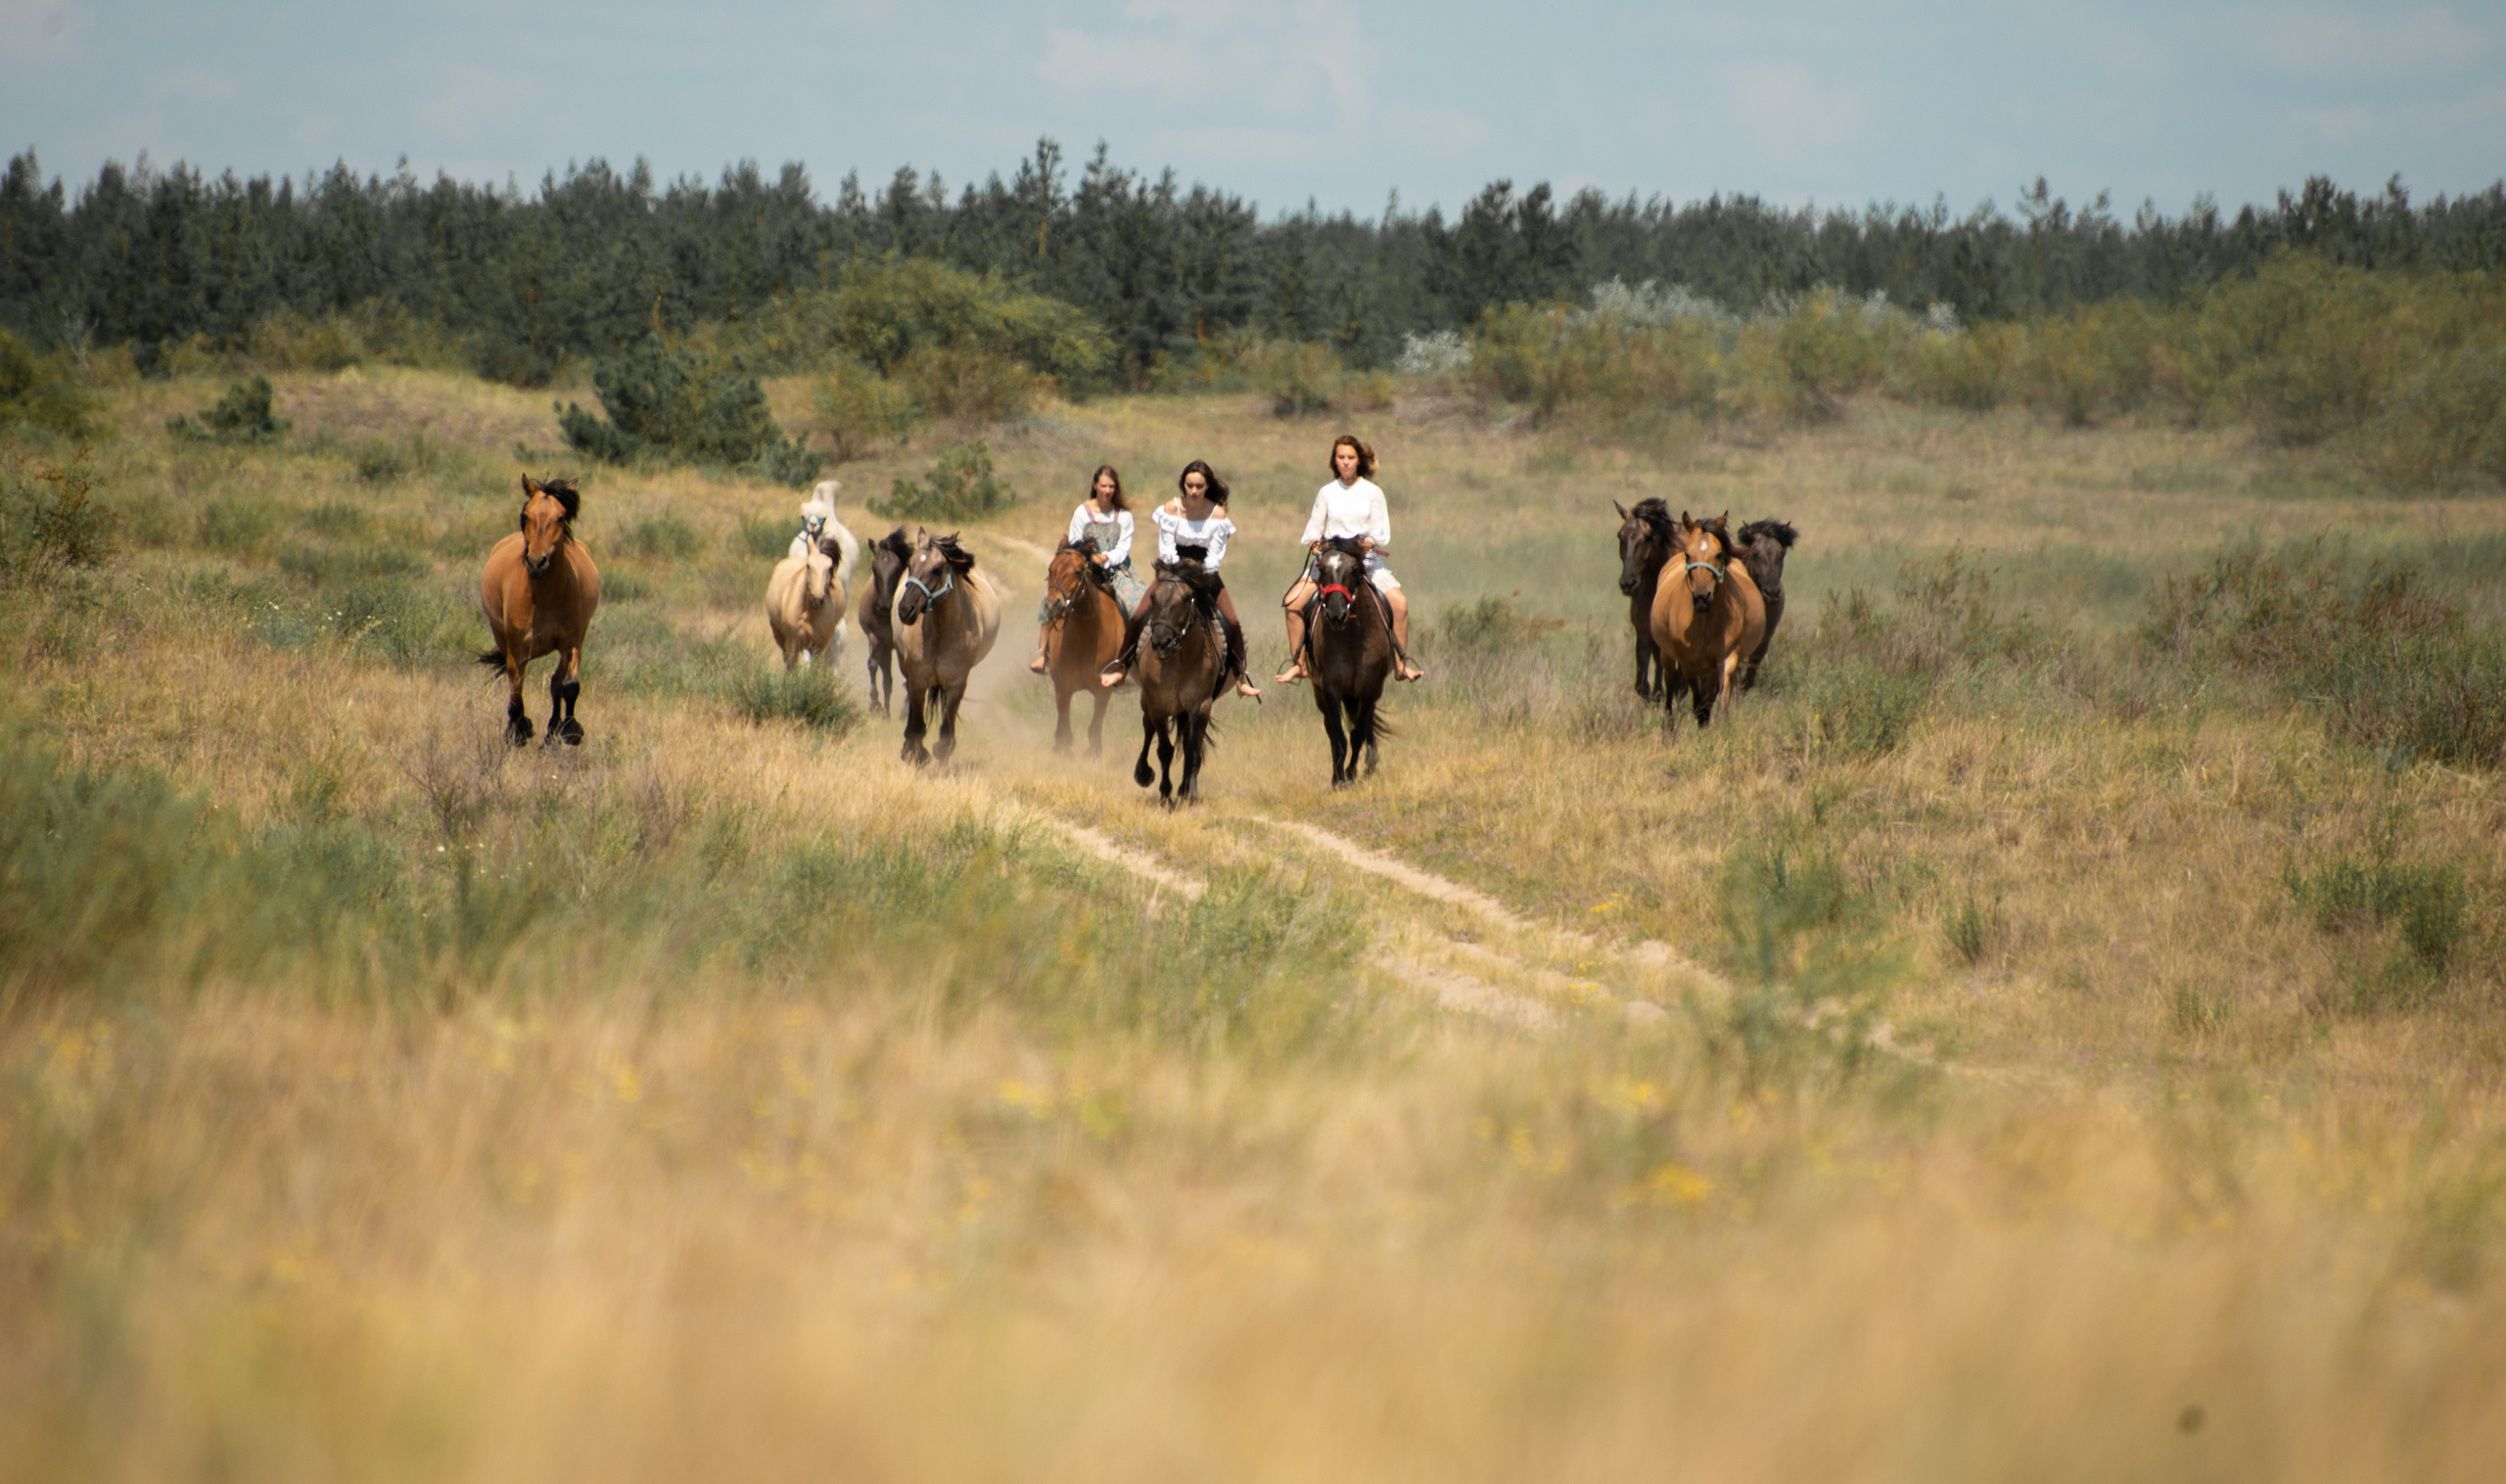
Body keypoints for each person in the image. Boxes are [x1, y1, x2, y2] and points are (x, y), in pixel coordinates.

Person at [1099, 460, 1261, 700]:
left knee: (1233, 621)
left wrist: (1199, 576)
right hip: (1172, 571)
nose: (1194, 491)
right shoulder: (1170, 509)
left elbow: (1215, 555)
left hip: (1205, 574)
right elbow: (1167, 550)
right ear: (1183, 484)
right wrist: (1178, 573)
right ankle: (1121, 667)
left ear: (1207, 487)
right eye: (1189, 485)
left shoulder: (1217, 514)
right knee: (1137, 615)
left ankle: (1239, 678)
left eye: (1199, 486)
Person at [1276, 434, 1424, 683]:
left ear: (1359, 461)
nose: (1345, 462)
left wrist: (1370, 543)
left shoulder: (1373, 492)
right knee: (1292, 603)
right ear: (1334, 461)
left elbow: (1381, 533)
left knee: (1400, 604)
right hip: (1330, 563)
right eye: (1341, 457)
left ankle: (1401, 664)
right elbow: (1313, 528)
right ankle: (1299, 664)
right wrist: (1313, 542)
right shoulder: (1326, 492)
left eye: (1350, 458)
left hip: (1363, 564)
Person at [1031, 465, 1143, 673]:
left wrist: (1105, 557)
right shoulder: (1082, 512)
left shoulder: (1124, 515)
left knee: (1137, 604)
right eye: (1103, 486)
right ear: (1095, 485)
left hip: (1116, 569)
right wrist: (1088, 559)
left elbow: (1123, 548)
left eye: (1111, 486)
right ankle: (1042, 653)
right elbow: (1075, 542)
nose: (1107, 491)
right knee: (1053, 598)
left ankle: (1135, 658)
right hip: (1084, 568)